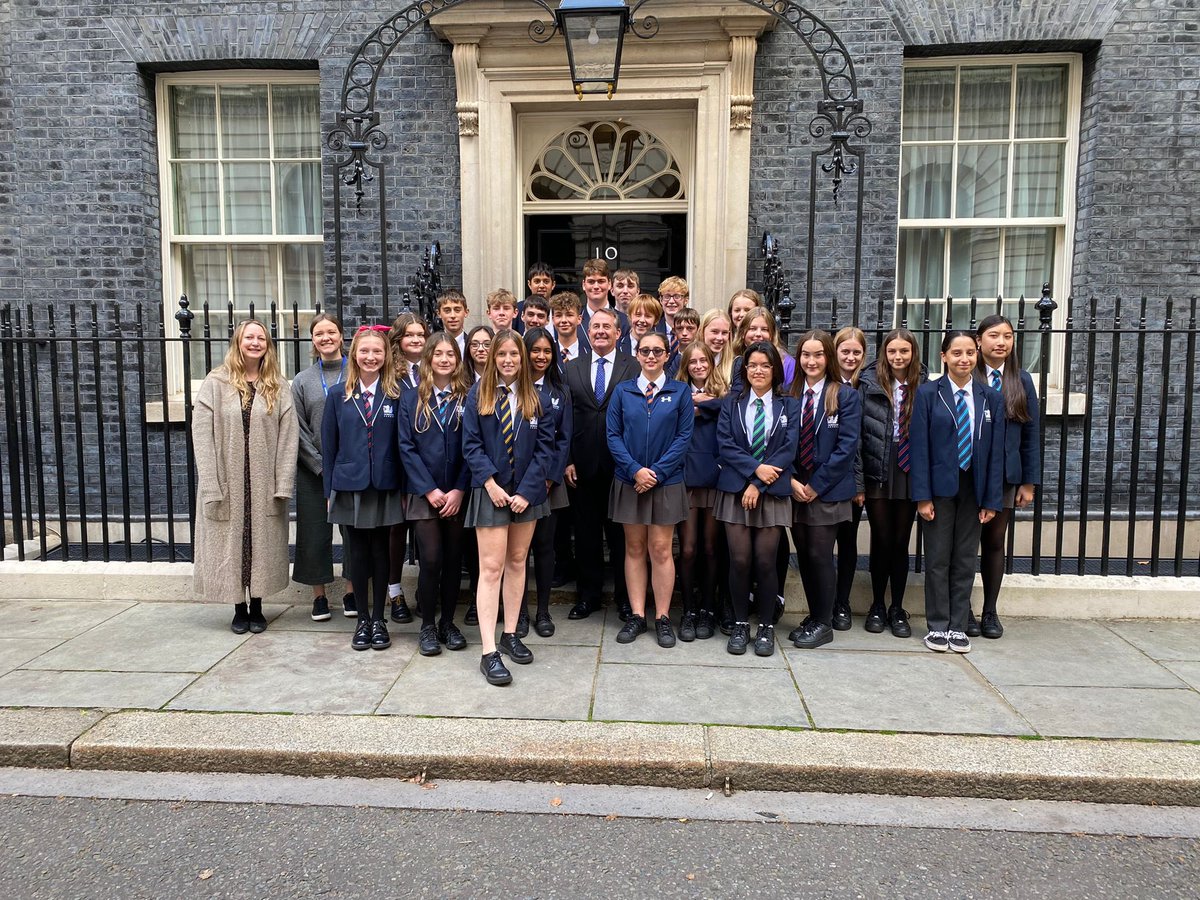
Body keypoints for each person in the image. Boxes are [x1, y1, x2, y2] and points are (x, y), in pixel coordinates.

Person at [193, 319, 298, 634]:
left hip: (263, 482)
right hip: (228, 480)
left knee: (260, 544)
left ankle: (257, 606)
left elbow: (288, 437)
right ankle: (238, 607)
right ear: (238, 342)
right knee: (232, 543)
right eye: (249, 337)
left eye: (261, 338)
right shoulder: (216, 382)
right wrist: (211, 481)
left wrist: (282, 482)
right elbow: (201, 435)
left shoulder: (278, 386)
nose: (255, 342)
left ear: (268, 345)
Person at [462, 329, 555, 686]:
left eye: (514, 354)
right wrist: (490, 483)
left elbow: (545, 449)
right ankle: (489, 651)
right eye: (501, 355)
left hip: (526, 495)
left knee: (518, 562)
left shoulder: (535, 397)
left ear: (523, 357)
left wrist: (528, 492)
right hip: (491, 492)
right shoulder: (478, 395)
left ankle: (511, 632)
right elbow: (470, 445)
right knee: (491, 567)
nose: (507, 360)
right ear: (492, 359)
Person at [911, 330, 1005, 654]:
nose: (963, 359)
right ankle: (938, 625)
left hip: (973, 488)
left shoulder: (990, 396)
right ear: (944, 357)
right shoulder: (927, 394)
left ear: (976, 355)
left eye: (969, 353)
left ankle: (958, 625)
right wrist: (922, 496)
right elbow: (919, 448)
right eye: (956, 353)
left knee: (965, 559)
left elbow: (996, 452)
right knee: (937, 558)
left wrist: (991, 499)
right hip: (939, 488)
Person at [321, 325, 405, 651]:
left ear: (386, 356)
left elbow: (402, 445)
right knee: (357, 554)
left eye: (377, 352)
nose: (371, 357)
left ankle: (380, 620)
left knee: (381, 552)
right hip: (349, 486)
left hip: (384, 484)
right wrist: (330, 492)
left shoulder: (397, 394)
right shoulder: (337, 395)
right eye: (365, 351)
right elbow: (329, 447)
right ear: (354, 353)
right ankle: (362, 620)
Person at [606, 331, 693, 647]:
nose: (652, 356)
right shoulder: (623, 391)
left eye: (658, 350)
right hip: (630, 480)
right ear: (637, 354)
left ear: (668, 355)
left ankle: (663, 617)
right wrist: (635, 470)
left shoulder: (680, 391)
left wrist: (655, 472)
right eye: (645, 350)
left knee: (660, 549)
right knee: (634, 548)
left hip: (665, 482)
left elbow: (684, 438)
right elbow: (613, 436)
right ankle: (638, 615)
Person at [714, 341, 799, 656]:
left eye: (765, 365)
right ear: (744, 369)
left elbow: (788, 450)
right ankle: (739, 624)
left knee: (765, 562)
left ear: (775, 369)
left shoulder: (788, 405)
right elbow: (725, 444)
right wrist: (753, 474)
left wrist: (759, 484)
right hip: (735, 490)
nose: (759, 370)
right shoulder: (732, 403)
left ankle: (765, 626)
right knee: (739, 560)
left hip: (771, 494)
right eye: (753, 365)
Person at [786, 330, 863, 650]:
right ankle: (815, 614)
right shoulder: (788, 395)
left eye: (818, 355)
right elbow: (779, 443)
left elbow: (846, 448)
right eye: (806, 355)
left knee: (820, 554)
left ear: (828, 357)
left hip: (826, 490)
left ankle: (824, 621)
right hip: (794, 488)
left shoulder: (844, 395)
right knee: (803, 555)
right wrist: (790, 480)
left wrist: (816, 485)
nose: (812, 361)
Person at [397, 333, 472, 656]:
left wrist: (458, 489)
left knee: (454, 561)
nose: (444, 359)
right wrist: (429, 489)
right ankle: (427, 624)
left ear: (458, 360)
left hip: (457, 491)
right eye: (438, 354)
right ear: (428, 359)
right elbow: (406, 446)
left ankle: (448, 623)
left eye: (450, 355)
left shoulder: (467, 397)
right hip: (423, 493)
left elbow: (474, 448)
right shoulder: (411, 399)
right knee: (430, 559)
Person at [563, 307, 639, 620]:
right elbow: (562, 418)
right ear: (587, 331)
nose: (600, 332)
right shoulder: (571, 368)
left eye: (607, 327)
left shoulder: (633, 366)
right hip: (581, 466)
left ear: (619, 333)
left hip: (621, 468)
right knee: (586, 535)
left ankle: (625, 598)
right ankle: (588, 597)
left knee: (622, 537)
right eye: (595, 327)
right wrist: (567, 459)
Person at [971, 314, 1040, 640]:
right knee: (964, 545)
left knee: (995, 543)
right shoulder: (967, 375)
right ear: (979, 340)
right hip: (970, 473)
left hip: (1005, 478)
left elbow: (1032, 434)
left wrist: (1028, 481)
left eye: (1008, 336)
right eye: (994, 335)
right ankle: (964, 610)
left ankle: (990, 611)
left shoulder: (1021, 380)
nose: (1001, 342)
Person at [859, 329, 927, 638]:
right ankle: (876, 605)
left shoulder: (924, 385)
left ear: (913, 354)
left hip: (909, 468)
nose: (898, 357)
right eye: (892, 351)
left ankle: (897, 607)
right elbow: (859, 433)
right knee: (881, 539)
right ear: (884, 353)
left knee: (901, 542)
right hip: (878, 466)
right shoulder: (868, 383)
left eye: (904, 351)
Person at [291, 314, 354, 621]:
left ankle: (351, 590)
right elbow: (298, 429)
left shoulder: (356, 372)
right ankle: (319, 597)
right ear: (313, 340)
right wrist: (320, 465)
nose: (326, 337)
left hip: (351, 468)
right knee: (315, 532)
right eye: (319, 333)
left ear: (342, 336)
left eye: (331, 331)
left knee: (353, 531)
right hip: (313, 469)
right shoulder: (303, 380)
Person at [676, 340, 729, 640]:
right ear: (686, 365)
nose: (698, 366)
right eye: (692, 361)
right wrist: (694, 404)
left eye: (703, 361)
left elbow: (727, 409)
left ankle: (708, 609)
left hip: (713, 476)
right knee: (687, 548)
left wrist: (702, 405)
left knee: (711, 548)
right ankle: (688, 610)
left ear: (711, 363)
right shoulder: (676, 391)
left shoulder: (724, 393)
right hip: (685, 478)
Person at [523, 326, 573, 638]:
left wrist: (550, 479)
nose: (541, 356)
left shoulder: (559, 391)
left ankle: (542, 611)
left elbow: (564, 439)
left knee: (544, 547)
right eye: (536, 350)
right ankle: (516, 612)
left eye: (547, 351)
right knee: (516, 553)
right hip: (513, 483)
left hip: (548, 486)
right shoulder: (513, 388)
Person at [386, 312, 427, 623]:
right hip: (398, 466)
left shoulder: (432, 369)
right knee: (396, 534)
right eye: (410, 334)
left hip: (428, 467)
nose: (416, 339)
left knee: (427, 538)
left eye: (420, 334)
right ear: (398, 339)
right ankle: (395, 592)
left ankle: (425, 594)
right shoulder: (390, 373)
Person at [831, 326, 868, 630]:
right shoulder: (828, 384)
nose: (851, 357)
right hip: (825, 476)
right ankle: (826, 599)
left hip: (852, 481)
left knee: (847, 541)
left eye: (857, 352)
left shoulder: (867, 386)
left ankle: (841, 602)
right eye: (845, 351)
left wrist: (859, 483)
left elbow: (860, 441)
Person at [459, 324, 494, 625]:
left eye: (486, 344)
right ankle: (475, 596)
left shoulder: (504, 380)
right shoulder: (462, 382)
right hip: (463, 472)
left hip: (492, 475)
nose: (480, 349)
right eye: (475, 344)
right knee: (472, 543)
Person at [729, 305, 796, 392]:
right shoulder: (732, 360)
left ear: (772, 335)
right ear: (742, 333)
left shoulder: (788, 364)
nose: (758, 334)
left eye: (765, 329)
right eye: (752, 329)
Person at [579, 258, 630, 335]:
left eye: (601, 281)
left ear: (609, 284)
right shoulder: (574, 319)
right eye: (591, 282)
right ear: (583, 285)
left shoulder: (624, 321)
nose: (596, 286)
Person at [551, 291, 587, 366]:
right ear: (553, 320)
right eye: (559, 315)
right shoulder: (548, 353)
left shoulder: (589, 354)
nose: (564, 320)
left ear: (579, 319)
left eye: (569, 315)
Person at [699, 309, 734, 386]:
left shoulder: (736, 365)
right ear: (702, 331)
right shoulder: (684, 359)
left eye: (724, 333)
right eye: (714, 332)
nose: (719, 338)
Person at [657, 276, 689, 353]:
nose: (671, 301)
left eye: (677, 296)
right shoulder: (653, 330)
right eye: (667, 296)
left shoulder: (694, 331)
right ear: (661, 300)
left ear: (686, 300)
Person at [437, 289, 470, 357]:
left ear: (466, 312)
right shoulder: (432, 345)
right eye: (447, 311)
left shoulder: (472, 345)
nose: (453, 315)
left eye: (457, 310)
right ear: (439, 313)